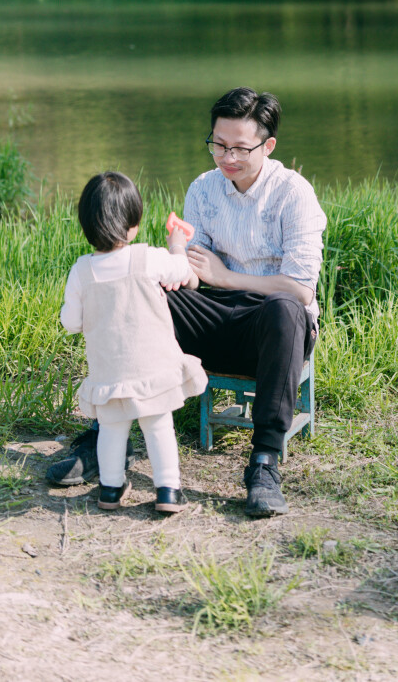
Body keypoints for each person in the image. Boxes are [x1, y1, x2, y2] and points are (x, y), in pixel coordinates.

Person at [49, 89, 326, 519]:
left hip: (272, 326)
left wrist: (227, 277)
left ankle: (264, 463)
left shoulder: (294, 194)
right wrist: (174, 256)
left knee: (285, 310)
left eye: (239, 148)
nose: (226, 157)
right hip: (214, 315)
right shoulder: (204, 188)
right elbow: (194, 279)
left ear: (267, 146)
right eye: (218, 144)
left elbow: (301, 290)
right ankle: (108, 434)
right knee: (141, 290)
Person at [59, 170, 207, 514]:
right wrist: (177, 243)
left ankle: (110, 490)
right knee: (158, 427)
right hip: (153, 368)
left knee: (112, 430)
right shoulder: (148, 257)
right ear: (133, 225)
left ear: (86, 226)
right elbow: (182, 273)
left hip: (109, 372)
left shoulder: (81, 271)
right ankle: (168, 491)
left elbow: (71, 323)